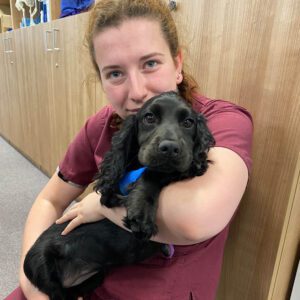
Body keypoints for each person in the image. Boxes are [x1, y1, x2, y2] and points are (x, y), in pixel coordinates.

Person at [7, 0, 253, 299]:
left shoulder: (221, 120)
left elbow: (196, 217)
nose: (137, 92)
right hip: (70, 278)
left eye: (150, 63)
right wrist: (32, 284)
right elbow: (49, 200)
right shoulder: (103, 125)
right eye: (115, 73)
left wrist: (102, 205)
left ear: (177, 64)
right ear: (101, 80)